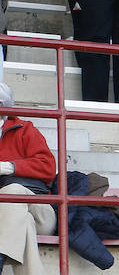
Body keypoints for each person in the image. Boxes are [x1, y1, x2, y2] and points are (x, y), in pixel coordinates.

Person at [0, 83, 57, 275]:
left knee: (12, 192)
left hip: (40, 210)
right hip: (10, 217)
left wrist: (9, 167)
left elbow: (48, 167)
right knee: (23, 224)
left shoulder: (25, 129)